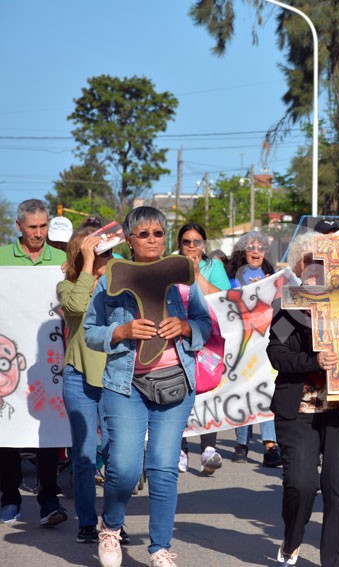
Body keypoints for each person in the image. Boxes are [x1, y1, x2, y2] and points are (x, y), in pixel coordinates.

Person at [84, 206, 211, 567]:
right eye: (144, 234)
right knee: (123, 466)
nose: (152, 240)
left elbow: (205, 324)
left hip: (175, 386)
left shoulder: (182, 276)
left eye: (158, 233)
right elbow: (91, 331)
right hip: (126, 386)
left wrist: (185, 328)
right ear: (129, 240)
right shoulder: (112, 278)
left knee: (163, 466)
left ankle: (159, 548)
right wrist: (120, 331)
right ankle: (110, 527)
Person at [267, 259, 339, 566]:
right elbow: (276, 352)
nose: (318, 285)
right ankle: (292, 538)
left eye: (323, 279)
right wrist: (314, 361)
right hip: (299, 409)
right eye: (311, 279)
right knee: (301, 483)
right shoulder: (289, 311)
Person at [0, 199, 68, 527]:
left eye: (43, 227)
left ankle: (49, 500)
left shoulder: (62, 261)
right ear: (19, 227)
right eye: (33, 227)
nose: (39, 233)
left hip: (48, 359)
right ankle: (10, 498)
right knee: (8, 432)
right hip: (10, 360)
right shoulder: (1, 258)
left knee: (48, 432)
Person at [58, 226, 115, 543]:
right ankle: (87, 523)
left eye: (106, 251)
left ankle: (113, 523)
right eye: (96, 251)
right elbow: (78, 307)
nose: (105, 257)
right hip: (78, 377)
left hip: (114, 378)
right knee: (83, 456)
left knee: (116, 455)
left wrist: (106, 266)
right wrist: (89, 265)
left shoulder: (118, 281)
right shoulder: (65, 285)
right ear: (81, 255)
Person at [175, 222, 231, 475]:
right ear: (179, 244)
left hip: (208, 336)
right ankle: (181, 449)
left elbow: (224, 298)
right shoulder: (169, 266)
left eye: (196, 241)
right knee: (178, 389)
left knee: (208, 387)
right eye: (186, 241)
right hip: (177, 335)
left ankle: (208, 448)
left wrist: (197, 275)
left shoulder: (214, 266)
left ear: (204, 245)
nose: (191, 246)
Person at [227, 230, 282, 467]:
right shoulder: (232, 277)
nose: (256, 251)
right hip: (242, 342)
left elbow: (280, 302)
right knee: (243, 389)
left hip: (267, 340)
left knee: (267, 390)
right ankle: (242, 442)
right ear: (243, 251)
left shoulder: (274, 276)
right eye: (251, 247)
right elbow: (227, 301)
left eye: (260, 247)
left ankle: (270, 444)